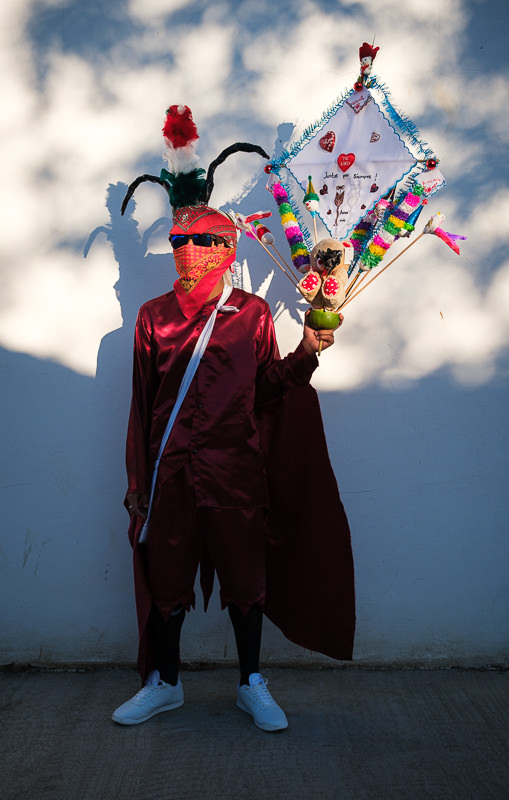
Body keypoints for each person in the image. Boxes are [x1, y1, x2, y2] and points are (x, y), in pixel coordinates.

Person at [112, 107, 355, 731]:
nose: (187, 251)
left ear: (226, 249)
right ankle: (165, 684)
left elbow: (270, 391)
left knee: (247, 580)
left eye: (202, 241)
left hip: (236, 471)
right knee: (167, 581)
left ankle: (251, 681)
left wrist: (306, 351)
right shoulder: (152, 317)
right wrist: (138, 483)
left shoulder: (250, 316)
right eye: (179, 241)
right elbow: (142, 405)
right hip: (171, 474)